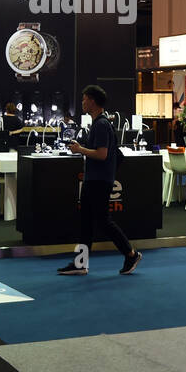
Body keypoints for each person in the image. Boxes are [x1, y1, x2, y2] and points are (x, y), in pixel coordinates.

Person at [60, 84, 141, 276]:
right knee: (87, 222)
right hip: (95, 179)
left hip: (99, 180)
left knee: (103, 221)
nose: (82, 102)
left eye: (84, 99)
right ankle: (81, 263)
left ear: (93, 101)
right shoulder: (99, 124)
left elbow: (102, 154)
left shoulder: (101, 125)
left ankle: (130, 253)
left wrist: (80, 150)